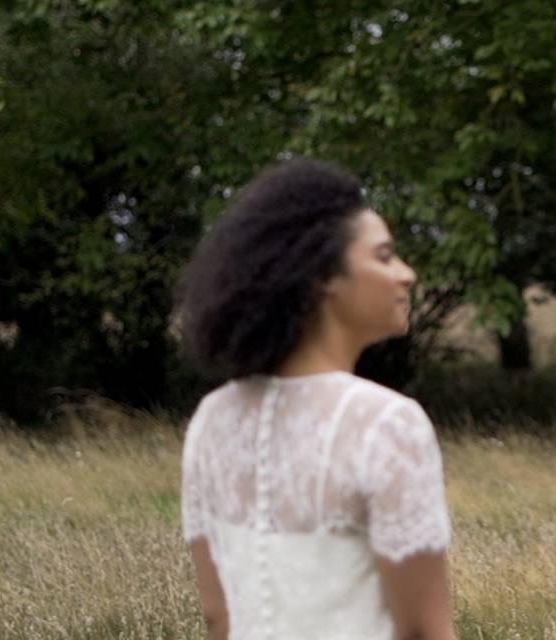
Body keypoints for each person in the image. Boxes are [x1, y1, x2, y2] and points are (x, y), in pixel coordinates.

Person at [176, 159, 456, 640]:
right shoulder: (387, 424)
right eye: (385, 256)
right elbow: (423, 630)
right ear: (323, 276)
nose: (406, 274)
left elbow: (217, 615)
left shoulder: (213, 419)